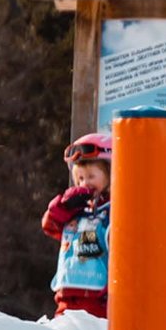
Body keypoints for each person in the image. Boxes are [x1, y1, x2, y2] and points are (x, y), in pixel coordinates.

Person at [42, 132, 112, 318]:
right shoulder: (75, 209)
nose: (85, 184)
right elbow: (50, 225)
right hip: (66, 296)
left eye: (91, 177)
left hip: (98, 300)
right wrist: (65, 204)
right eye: (80, 178)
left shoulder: (114, 211)